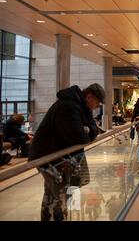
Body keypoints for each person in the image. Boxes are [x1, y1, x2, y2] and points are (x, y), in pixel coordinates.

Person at [29, 83, 105, 221]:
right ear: (89, 97)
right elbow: (79, 137)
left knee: (54, 195)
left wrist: (89, 129)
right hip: (50, 158)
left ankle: (51, 218)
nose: (97, 106)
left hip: (59, 158)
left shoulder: (81, 107)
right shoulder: (68, 107)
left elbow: (94, 128)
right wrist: (88, 131)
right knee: (60, 196)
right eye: (97, 103)